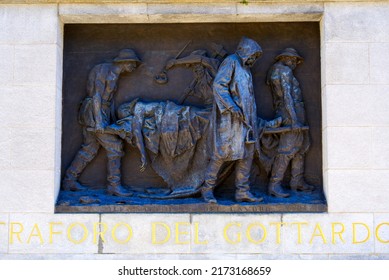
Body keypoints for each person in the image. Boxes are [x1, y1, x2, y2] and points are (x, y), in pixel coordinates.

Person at [62, 49, 141, 197]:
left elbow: (107, 100)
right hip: (94, 112)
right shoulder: (104, 70)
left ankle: (69, 180)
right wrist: (99, 121)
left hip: (101, 112)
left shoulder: (115, 74)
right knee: (115, 147)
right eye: (132, 63)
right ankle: (114, 186)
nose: (134, 67)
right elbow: (96, 96)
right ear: (124, 62)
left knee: (89, 149)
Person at [201, 37, 263, 204]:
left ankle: (243, 191)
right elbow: (219, 85)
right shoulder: (231, 61)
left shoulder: (246, 69)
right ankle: (207, 189)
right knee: (221, 153)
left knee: (247, 154)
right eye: (253, 56)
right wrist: (232, 107)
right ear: (245, 51)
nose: (254, 60)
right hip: (229, 118)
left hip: (246, 119)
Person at [266, 48, 314, 198]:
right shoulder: (284, 71)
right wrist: (294, 119)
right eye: (292, 60)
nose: (294, 63)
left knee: (301, 147)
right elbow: (287, 96)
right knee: (287, 150)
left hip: (286, 111)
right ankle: (274, 185)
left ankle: (297, 181)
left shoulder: (273, 71)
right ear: (285, 58)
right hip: (292, 111)